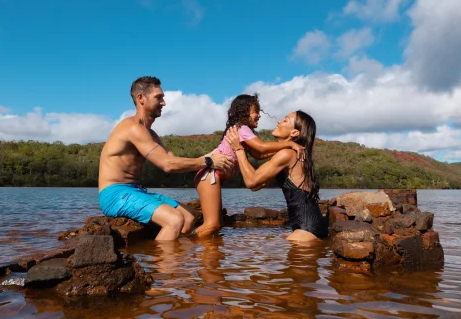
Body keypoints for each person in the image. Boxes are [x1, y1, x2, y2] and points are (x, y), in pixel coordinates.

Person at [98, 76, 234, 241]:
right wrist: (208, 161)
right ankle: (162, 266)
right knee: (174, 219)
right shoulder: (133, 128)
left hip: (135, 190)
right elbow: (167, 165)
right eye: (159, 97)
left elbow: (173, 159)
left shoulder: (151, 134)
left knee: (189, 217)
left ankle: (172, 261)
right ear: (141, 98)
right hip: (115, 194)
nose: (164, 103)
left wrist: (211, 155)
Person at [194, 94, 305, 238]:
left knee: (215, 225)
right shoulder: (242, 128)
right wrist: (289, 143)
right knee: (212, 225)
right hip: (209, 175)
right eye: (255, 111)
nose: (259, 115)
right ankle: (184, 245)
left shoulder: (243, 130)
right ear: (244, 113)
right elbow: (262, 147)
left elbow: (259, 155)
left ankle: (195, 249)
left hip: (212, 176)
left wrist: (281, 148)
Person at [224, 110, 328, 241]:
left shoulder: (287, 154)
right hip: (313, 224)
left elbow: (251, 181)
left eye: (285, 120)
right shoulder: (293, 154)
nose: (279, 121)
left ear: (294, 133)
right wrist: (245, 148)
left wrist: (238, 149)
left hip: (305, 230)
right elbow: (256, 186)